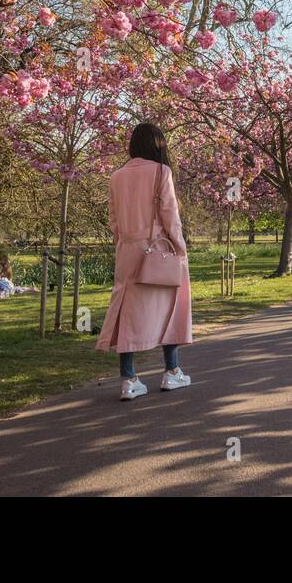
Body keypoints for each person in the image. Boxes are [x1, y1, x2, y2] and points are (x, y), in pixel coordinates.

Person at [98, 121, 192, 401]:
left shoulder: (116, 176)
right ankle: (171, 371)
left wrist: (125, 242)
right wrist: (180, 247)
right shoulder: (162, 171)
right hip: (159, 249)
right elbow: (169, 215)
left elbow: (114, 221)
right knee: (171, 307)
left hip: (127, 249)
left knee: (127, 312)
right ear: (157, 145)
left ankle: (129, 379)